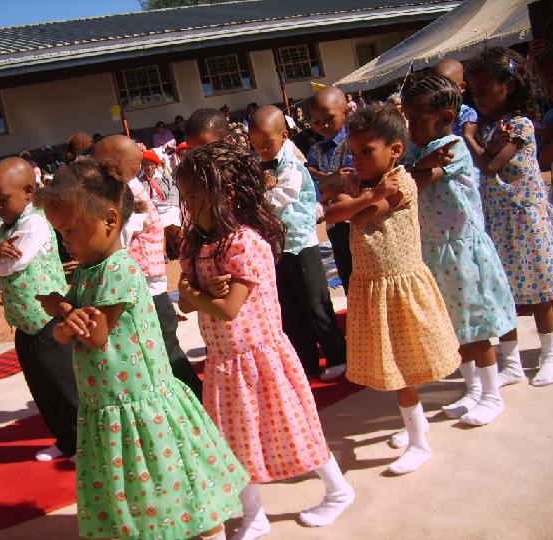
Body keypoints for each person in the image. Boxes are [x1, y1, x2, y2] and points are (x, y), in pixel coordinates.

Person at [34, 158, 248, 540]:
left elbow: (95, 334)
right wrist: (66, 320)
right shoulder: (86, 272)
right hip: (108, 398)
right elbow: (67, 335)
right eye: (60, 232)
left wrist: (61, 308)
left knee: (171, 480)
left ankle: (210, 532)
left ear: (109, 221)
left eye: (70, 230)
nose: (65, 241)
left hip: (136, 399)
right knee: (144, 486)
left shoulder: (118, 269)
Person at [177, 141, 354, 537]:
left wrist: (198, 296)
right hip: (223, 360)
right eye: (185, 196)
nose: (189, 206)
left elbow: (228, 308)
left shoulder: (245, 242)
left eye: (195, 196)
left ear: (228, 194)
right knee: (232, 441)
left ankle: (339, 489)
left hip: (260, 358)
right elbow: (187, 301)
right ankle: (253, 515)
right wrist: (199, 295)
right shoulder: (196, 244)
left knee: (296, 428)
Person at [324, 105, 461, 474]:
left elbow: (358, 216)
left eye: (366, 151)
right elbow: (332, 213)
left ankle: (419, 443)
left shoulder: (401, 183)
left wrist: (353, 200)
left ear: (395, 150)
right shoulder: (366, 185)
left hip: (397, 284)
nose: (357, 159)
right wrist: (354, 196)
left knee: (402, 369)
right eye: (354, 152)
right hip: (373, 285)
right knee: (395, 365)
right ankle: (416, 424)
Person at [402, 75, 517, 426]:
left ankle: (492, 394)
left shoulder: (452, 147)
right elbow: (410, 173)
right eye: (409, 120)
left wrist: (413, 169)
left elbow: (416, 182)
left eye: (418, 120)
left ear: (446, 117)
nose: (411, 128)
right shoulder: (420, 152)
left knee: (476, 326)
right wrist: (414, 165)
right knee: (455, 326)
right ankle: (473, 389)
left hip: (462, 251)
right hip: (436, 252)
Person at [0, 158, 78, 462]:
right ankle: (65, 439)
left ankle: (84, 441)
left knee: (64, 385)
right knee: (41, 386)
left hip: (49, 320)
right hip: (23, 322)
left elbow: (11, 264)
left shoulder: (35, 222)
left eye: (2, 200)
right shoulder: (5, 230)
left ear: (28, 191)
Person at [464, 47, 553, 386]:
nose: (478, 98)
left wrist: (469, 137)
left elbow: (490, 165)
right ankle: (511, 362)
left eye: (484, 90)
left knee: (538, 290)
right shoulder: (492, 127)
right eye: (474, 91)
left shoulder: (519, 125)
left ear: (509, 86)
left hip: (525, 217)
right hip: (497, 220)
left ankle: (549, 355)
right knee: (501, 290)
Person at [91, 135, 203, 399]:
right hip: (142, 284)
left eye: (99, 164)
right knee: (156, 351)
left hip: (148, 287)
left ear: (119, 167)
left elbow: (119, 236)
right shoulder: (123, 191)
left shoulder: (127, 194)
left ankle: (195, 399)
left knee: (166, 350)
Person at [248, 105, 348, 380]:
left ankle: (337, 354)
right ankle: (306, 360)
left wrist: (258, 193)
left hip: (302, 243)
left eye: (267, 142)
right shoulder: (259, 166)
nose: (261, 149)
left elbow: (280, 198)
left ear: (284, 135)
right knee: (289, 308)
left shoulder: (292, 164)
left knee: (315, 302)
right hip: (277, 248)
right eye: (255, 143)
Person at [307, 86, 355, 296]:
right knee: (346, 271)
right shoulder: (315, 150)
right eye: (316, 121)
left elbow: (351, 179)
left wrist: (324, 181)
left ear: (346, 112)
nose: (323, 125)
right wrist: (331, 180)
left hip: (358, 218)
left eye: (328, 118)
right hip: (335, 223)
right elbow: (313, 189)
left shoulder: (355, 142)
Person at [533, 45, 553, 207]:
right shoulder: (552, 117)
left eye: (552, 80)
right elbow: (543, 160)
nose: (547, 89)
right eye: (544, 84)